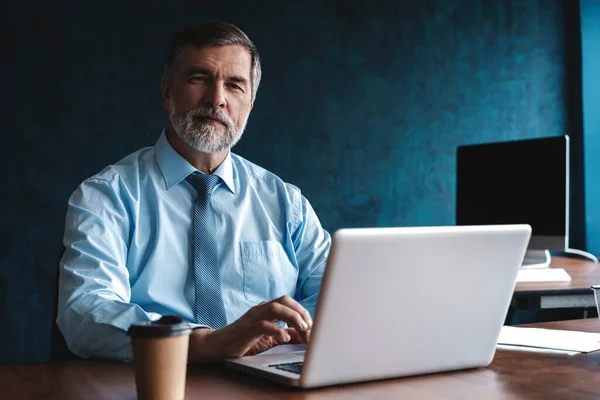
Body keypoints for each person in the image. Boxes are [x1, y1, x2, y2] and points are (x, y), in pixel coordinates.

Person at [57, 21, 331, 362]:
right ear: (167, 89)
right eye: (199, 78)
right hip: (151, 383)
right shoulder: (106, 197)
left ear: (251, 104)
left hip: (267, 383)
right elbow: (86, 311)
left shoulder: (287, 203)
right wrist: (203, 344)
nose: (217, 99)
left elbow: (336, 296)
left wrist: (296, 332)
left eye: (234, 85)